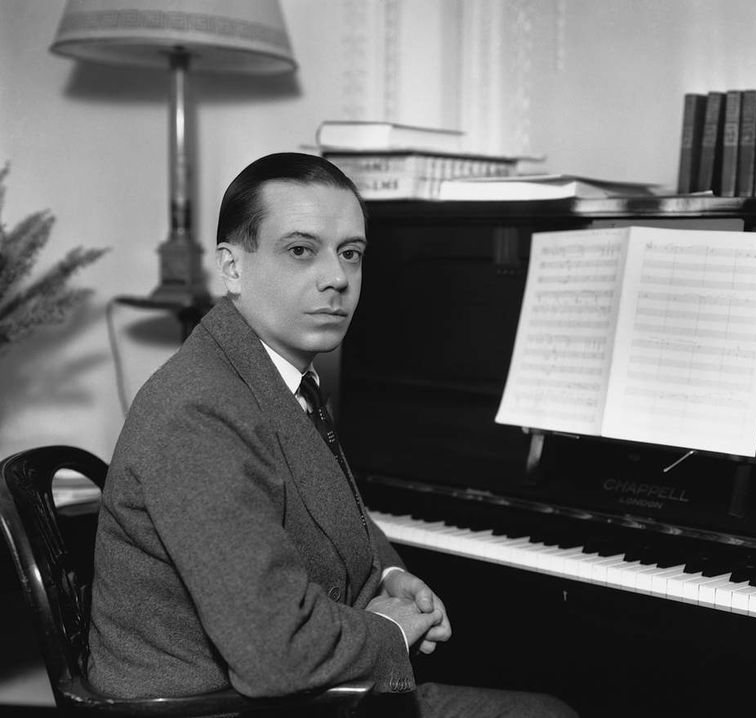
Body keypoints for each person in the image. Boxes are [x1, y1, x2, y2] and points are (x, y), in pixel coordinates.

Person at [86, 152, 576, 717]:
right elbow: (275, 654)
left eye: (351, 254)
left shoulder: (270, 373)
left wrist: (391, 573)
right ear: (233, 267)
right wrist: (387, 631)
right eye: (301, 250)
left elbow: (324, 506)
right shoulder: (199, 414)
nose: (337, 278)